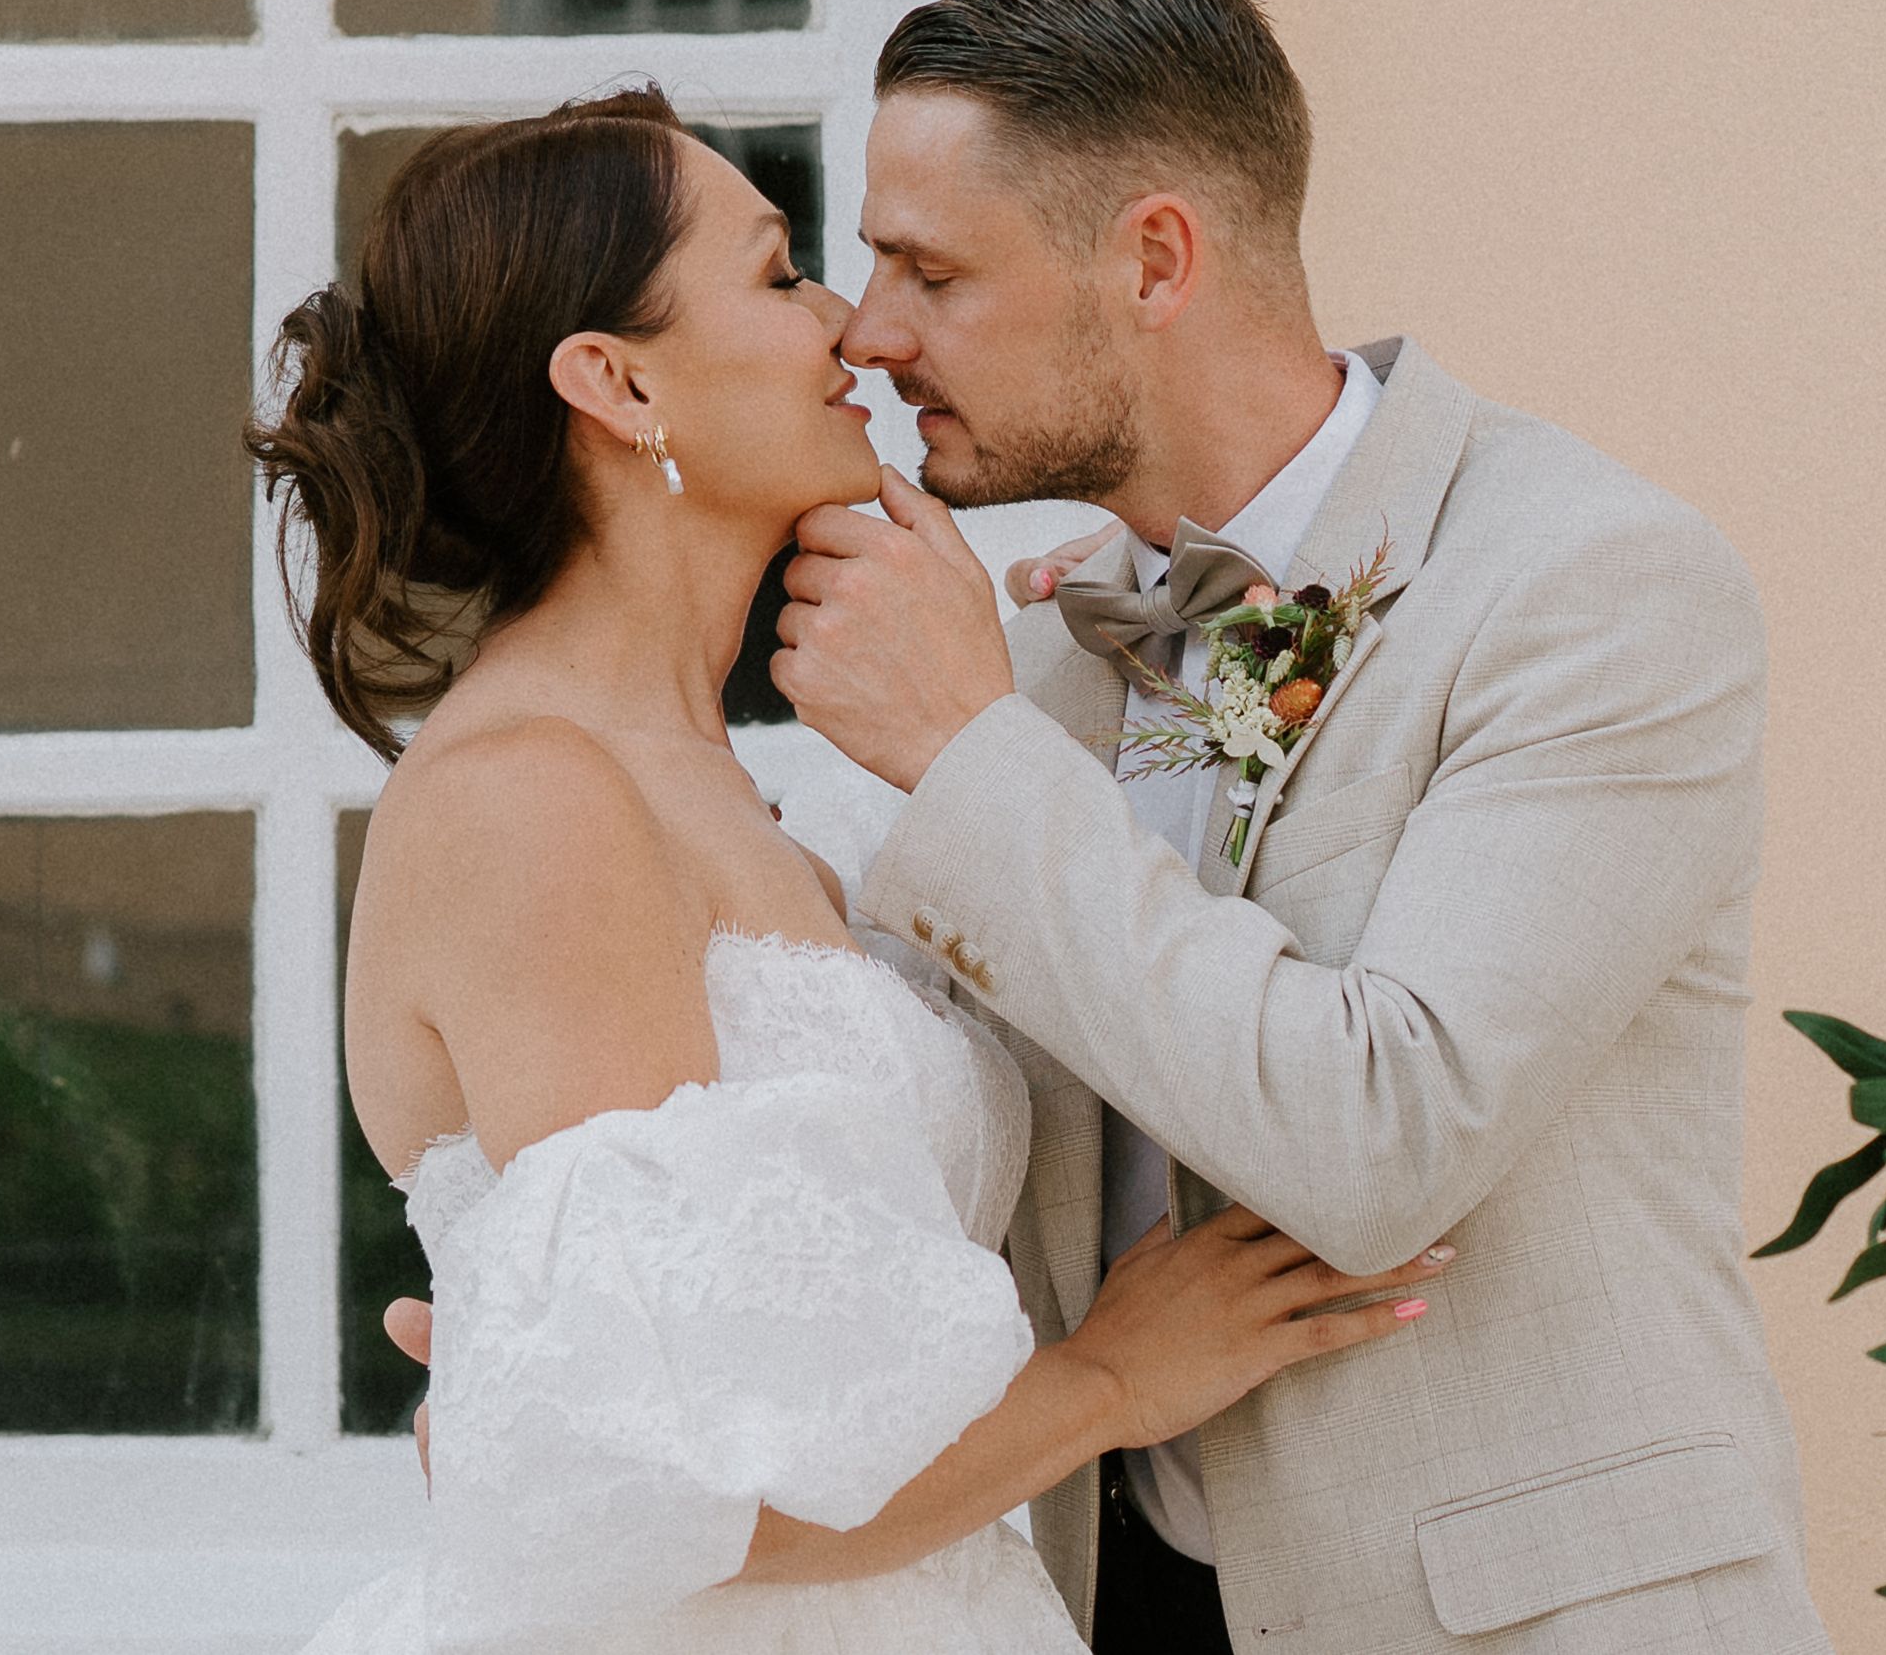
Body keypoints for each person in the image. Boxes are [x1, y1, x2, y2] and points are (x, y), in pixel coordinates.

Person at [260, 86, 1449, 1655]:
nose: (849, 327)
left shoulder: (754, 798)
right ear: (614, 381)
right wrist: (1110, 1378)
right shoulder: (529, 800)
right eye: (774, 275)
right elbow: (671, 1506)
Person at [770, 0, 1831, 1653]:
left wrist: (971, 761)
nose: (870, 333)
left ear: (1155, 257)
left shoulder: (1592, 586)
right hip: (1105, 1598)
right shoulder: (1044, 661)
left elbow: (1381, 1141)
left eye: (931, 271)